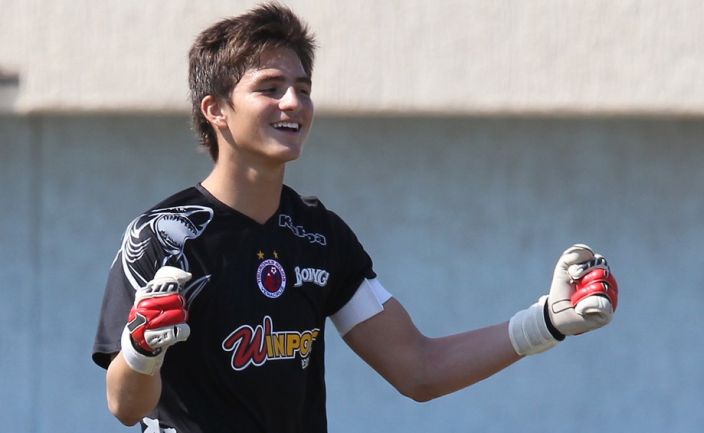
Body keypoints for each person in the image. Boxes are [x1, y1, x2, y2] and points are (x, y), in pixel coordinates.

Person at [92, 3, 620, 433]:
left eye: (303, 87)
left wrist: (548, 321)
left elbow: (418, 369)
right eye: (270, 88)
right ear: (216, 110)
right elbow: (125, 406)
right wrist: (141, 351)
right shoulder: (163, 236)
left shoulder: (320, 237)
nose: (294, 102)